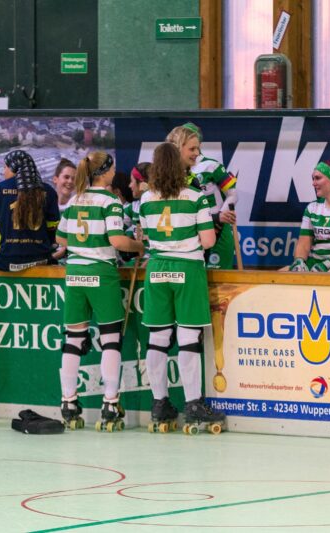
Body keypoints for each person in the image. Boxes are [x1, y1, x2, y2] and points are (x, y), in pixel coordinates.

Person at [138, 142, 224, 434]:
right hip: (187, 268)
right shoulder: (196, 197)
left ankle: (159, 403)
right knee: (188, 337)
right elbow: (209, 241)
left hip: (157, 268)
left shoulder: (146, 199)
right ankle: (193, 404)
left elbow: (145, 235)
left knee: (157, 338)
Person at [56, 151, 144, 431]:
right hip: (100, 273)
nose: (115, 172)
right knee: (110, 340)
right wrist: (139, 246)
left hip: (75, 273)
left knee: (73, 340)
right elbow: (118, 241)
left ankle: (68, 403)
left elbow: (60, 238)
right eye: (113, 168)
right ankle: (110, 403)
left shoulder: (74, 200)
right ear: (104, 172)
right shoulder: (110, 202)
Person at [166, 123, 238, 269]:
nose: (196, 152)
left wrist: (219, 217)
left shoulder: (211, 165)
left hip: (217, 229)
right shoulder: (167, 173)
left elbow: (233, 194)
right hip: (189, 232)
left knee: (219, 279)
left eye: (196, 147)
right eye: (191, 148)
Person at [0, 150, 60, 271]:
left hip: (5, 261)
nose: (3, 172)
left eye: (5, 167)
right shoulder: (48, 191)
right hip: (41, 260)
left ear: (13, 168)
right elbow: (53, 229)